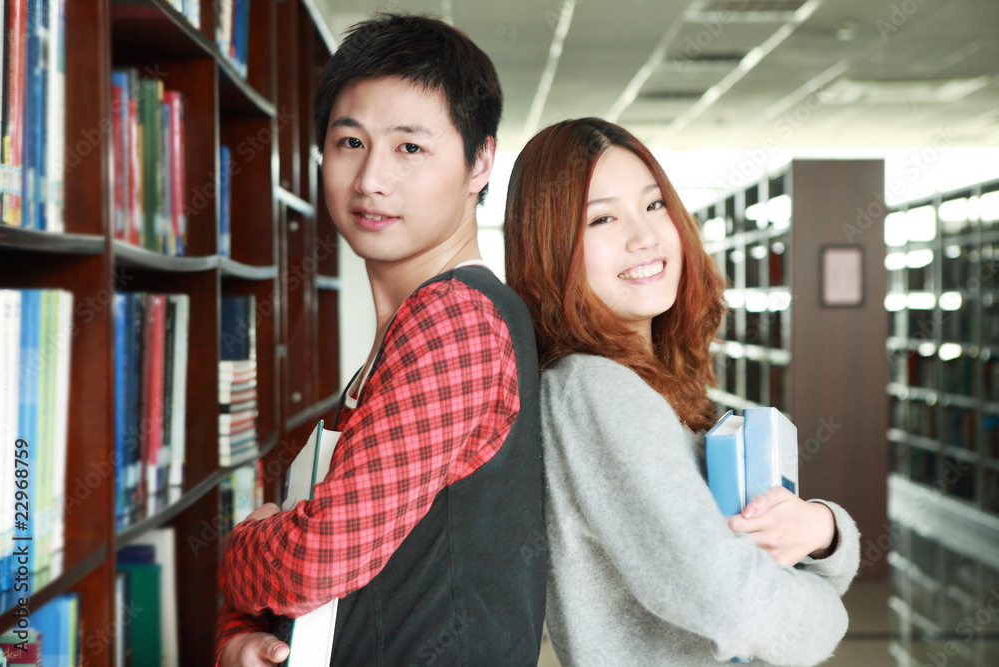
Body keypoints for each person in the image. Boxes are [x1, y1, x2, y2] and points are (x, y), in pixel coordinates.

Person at [215, 14, 546, 666]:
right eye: (349, 142)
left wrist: (237, 549)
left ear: (480, 161)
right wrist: (240, 636)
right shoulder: (406, 331)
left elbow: (320, 555)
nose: (370, 179)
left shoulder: (457, 321)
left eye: (409, 148)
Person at [503, 117, 861, 666]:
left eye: (654, 205)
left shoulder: (647, 382)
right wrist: (831, 614)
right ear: (551, 250)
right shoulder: (596, 390)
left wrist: (822, 529)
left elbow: (751, 563)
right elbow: (739, 606)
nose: (644, 236)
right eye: (602, 218)